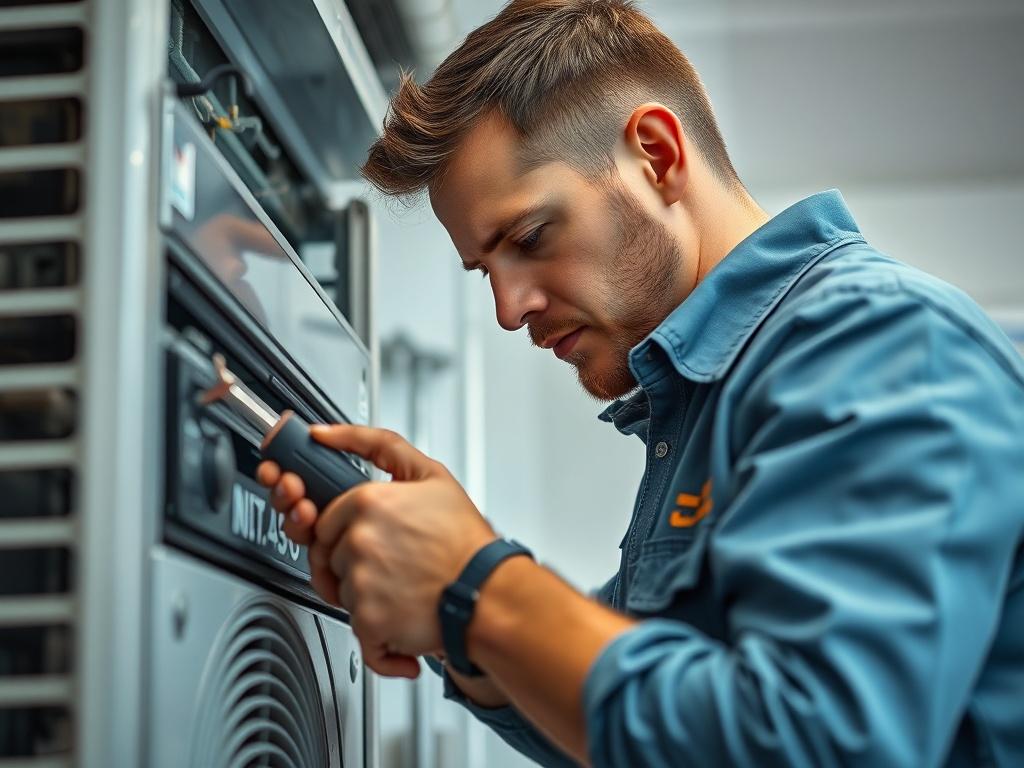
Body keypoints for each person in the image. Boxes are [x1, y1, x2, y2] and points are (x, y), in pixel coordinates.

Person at [257, 1, 1024, 765]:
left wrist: (474, 587)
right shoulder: (703, 403)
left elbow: (814, 746)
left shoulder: (876, 343)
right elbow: (642, 736)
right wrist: (455, 622)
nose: (507, 308)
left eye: (529, 237)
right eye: (487, 269)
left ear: (656, 155)